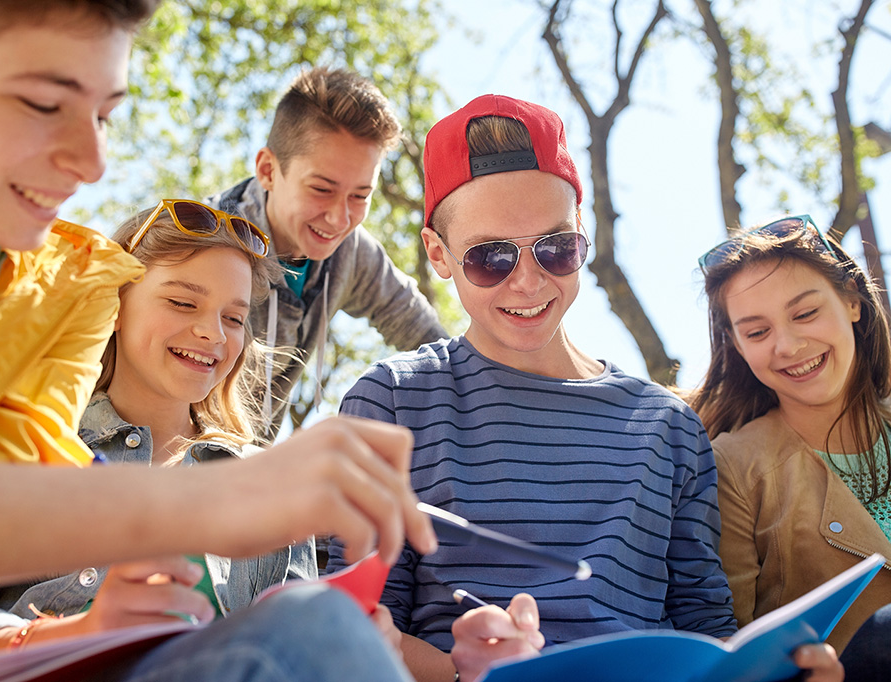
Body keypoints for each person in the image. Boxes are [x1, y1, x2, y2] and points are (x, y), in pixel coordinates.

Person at [0, 2, 434, 680]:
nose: (94, 162)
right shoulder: (112, 290)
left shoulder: (61, 294)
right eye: (44, 103)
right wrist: (209, 504)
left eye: (106, 115)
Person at [326, 94, 843, 682]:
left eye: (555, 248)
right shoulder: (392, 401)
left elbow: (705, 628)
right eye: (490, 257)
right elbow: (356, 623)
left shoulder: (668, 428)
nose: (527, 281)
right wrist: (462, 675)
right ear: (439, 255)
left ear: (582, 235)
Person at [0, 201, 406, 680]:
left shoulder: (267, 482)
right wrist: (78, 630)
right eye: (182, 302)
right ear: (115, 304)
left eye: (234, 318)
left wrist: (349, 641)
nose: (210, 332)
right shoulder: (33, 442)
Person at [687, 215, 891, 679]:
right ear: (737, 346)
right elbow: (729, 645)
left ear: (853, 302)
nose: (789, 344)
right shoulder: (730, 469)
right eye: (757, 332)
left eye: (805, 313)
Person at [208, 66, 446, 439]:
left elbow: (426, 337)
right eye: (321, 189)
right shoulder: (202, 245)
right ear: (268, 170)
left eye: (360, 196)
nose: (340, 217)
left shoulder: (351, 253)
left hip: (251, 472)